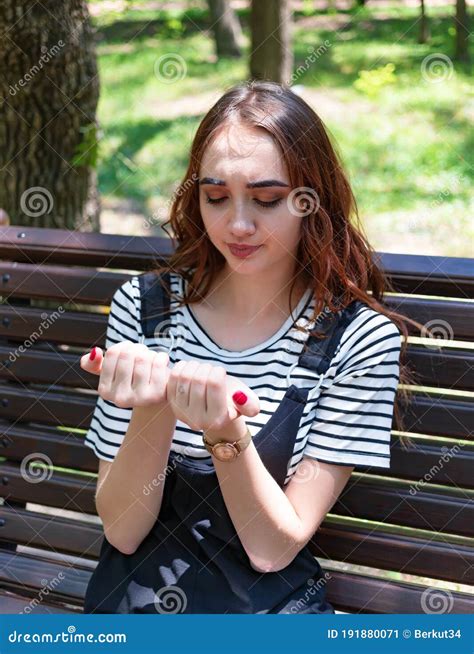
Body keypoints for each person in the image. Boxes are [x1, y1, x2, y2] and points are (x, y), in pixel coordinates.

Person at [81, 80, 415, 614]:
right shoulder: (143, 308)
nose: (237, 224)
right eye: (215, 197)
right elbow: (122, 531)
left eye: (266, 199)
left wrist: (225, 431)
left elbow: (271, 548)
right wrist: (153, 407)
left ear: (312, 200)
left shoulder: (357, 338)